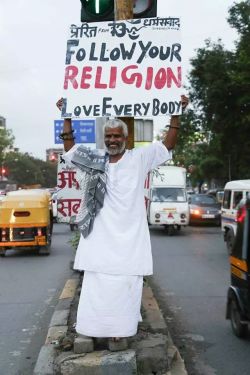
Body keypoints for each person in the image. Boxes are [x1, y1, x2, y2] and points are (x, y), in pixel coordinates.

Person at [56, 95, 188, 349]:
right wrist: (67, 115)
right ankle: (93, 329)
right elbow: (70, 149)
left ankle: (120, 331)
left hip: (130, 239)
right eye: (109, 136)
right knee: (98, 283)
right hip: (99, 238)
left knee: (126, 283)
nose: (113, 140)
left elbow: (168, 145)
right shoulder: (95, 159)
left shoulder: (139, 158)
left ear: (126, 138)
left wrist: (177, 112)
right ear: (104, 139)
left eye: (117, 136)